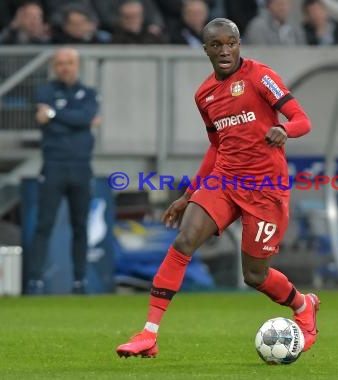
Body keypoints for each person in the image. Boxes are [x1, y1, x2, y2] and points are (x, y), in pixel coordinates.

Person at [116, 17, 320, 359]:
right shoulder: (205, 94)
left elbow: (302, 119)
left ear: (239, 44)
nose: (225, 50)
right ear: (206, 49)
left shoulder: (260, 76)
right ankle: (148, 334)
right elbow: (217, 147)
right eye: (217, 45)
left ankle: (304, 306)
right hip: (224, 180)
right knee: (183, 241)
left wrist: (286, 131)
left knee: (255, 276)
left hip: (265, 189)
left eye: (231, 43)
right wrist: (188, 194)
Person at [26, 47, 100, 295]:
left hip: (81, 167)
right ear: (54, 67)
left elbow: (84, 117)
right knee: (43, 224)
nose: (64, 67)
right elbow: (81, 120)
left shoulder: (89, 93)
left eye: (69, 63)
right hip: (54, 165)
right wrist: (77, 120)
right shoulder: (44, 91)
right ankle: (34, 280)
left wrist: (55, 114)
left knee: (80, 226)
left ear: (77, 65)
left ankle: (79, 281)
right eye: (60, 63)